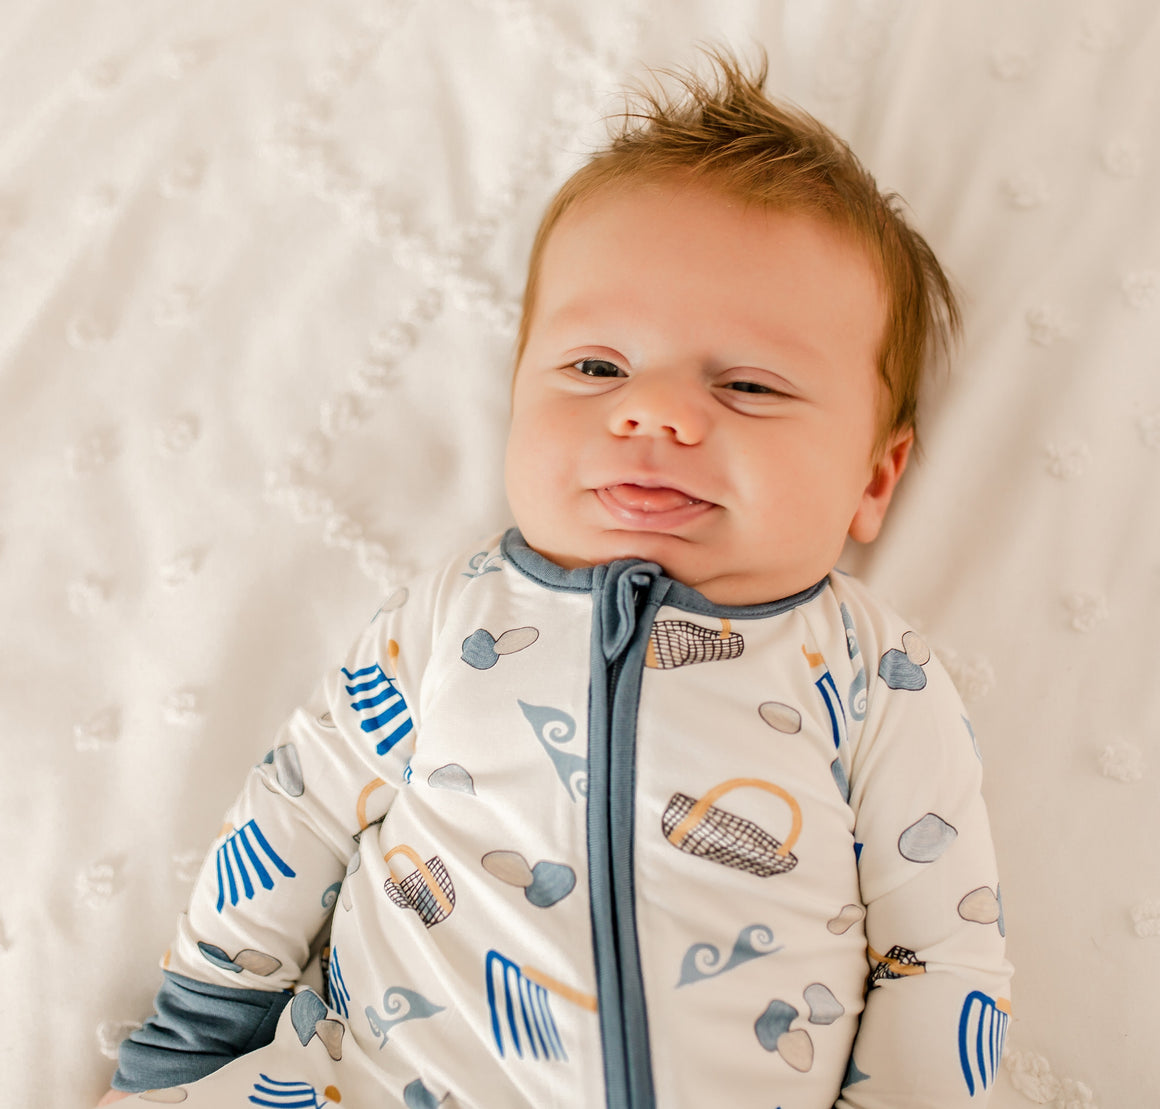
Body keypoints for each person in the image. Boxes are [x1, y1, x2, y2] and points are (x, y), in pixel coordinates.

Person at [97, 49, 1011, 1108]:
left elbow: (940, 954)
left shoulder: (872, 676)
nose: (653, 410)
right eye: (596, 367)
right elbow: (294, 811)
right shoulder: (449, 619)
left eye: (749, 385)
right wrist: (198, 1029)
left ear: (874, 476)